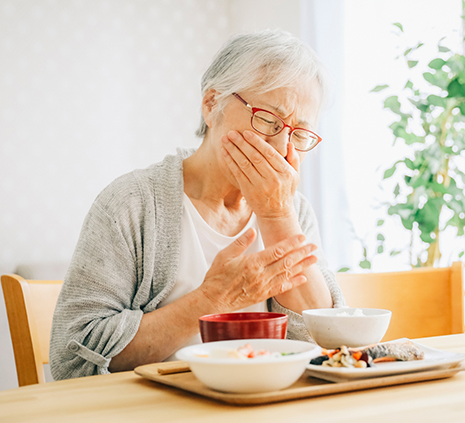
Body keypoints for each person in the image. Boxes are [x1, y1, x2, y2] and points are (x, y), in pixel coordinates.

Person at [50, 29, 345, 380]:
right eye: (268, 120)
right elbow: (73, 359)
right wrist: (211, 300)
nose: (282, 149)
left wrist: (276, 213)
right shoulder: (131, 204)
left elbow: (327, 344)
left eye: (298, 134)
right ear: (211, 104)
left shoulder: (293, 210)